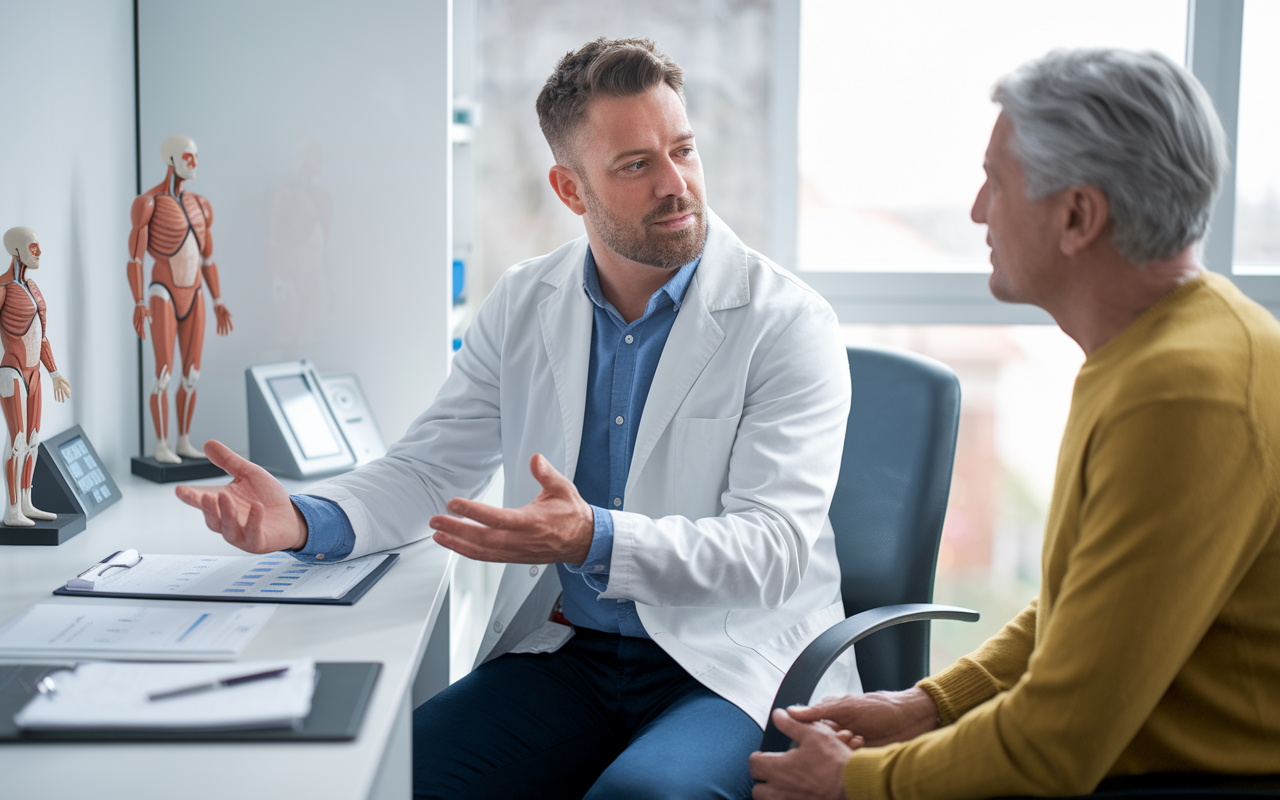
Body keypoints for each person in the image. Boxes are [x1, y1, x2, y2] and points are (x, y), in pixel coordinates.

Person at [176, 37, 858, 799]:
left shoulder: (788, 322)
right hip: (576, 654)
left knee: (642, 797)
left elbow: (771, 550)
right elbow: (432, 466)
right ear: (570, 190)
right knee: (397, 774)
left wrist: (591, 535)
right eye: (636, 165)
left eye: (683, 150)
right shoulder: (525, 301)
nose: (677, 185)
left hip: (730, 663)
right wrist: (304, 520)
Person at [748, 48, 1280, 800]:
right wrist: (925, 705)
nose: (976, 210)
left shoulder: (1181, 395)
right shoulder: (1173, 345)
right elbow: (1086, 609)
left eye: (997, 180)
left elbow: (1052, 746)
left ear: (1077, 216)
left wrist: (857, 783)